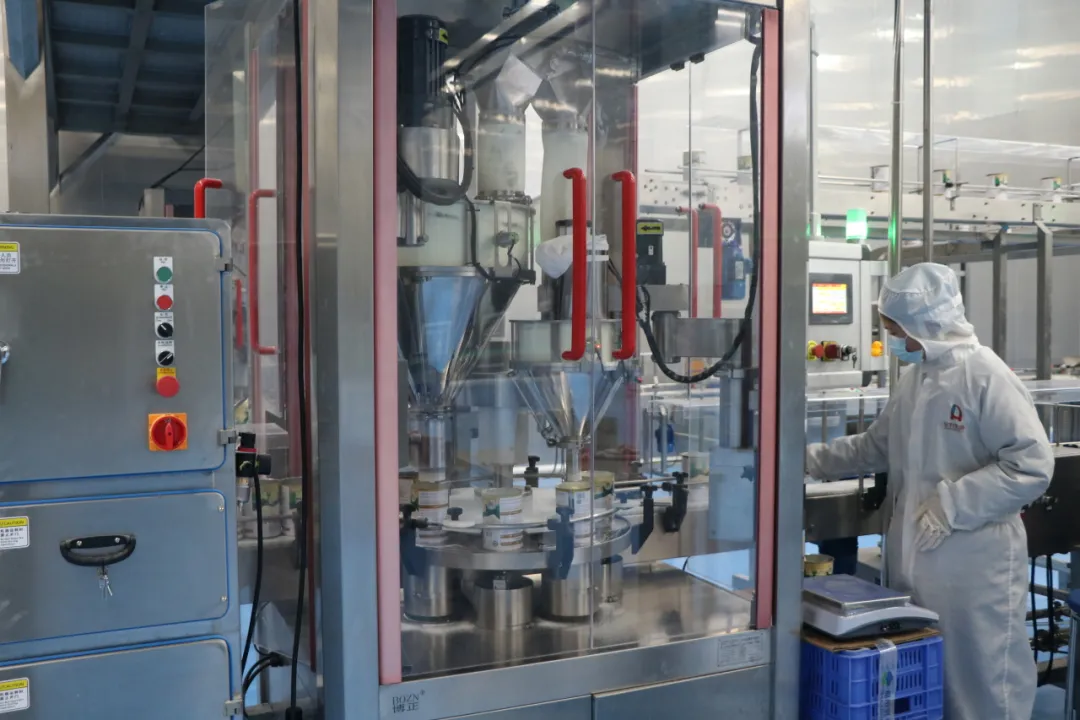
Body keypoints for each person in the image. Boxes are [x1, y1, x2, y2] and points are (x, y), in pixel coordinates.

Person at [806, 263, 1053, 720]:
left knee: (980, 681)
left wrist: (951, 505)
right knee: (928, 678)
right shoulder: (916, 379)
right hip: (917, 559)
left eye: (895, 330)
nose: (892, 340)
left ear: (927, 323)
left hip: (974, 565)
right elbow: (875, 447)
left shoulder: (984, 375)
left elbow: (1032, 464)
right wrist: (803, 460)